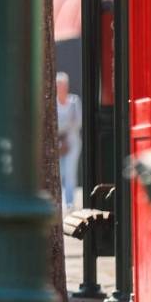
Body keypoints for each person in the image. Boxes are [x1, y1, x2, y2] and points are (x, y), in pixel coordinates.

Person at [57, 72, 83, 211]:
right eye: (59, 85)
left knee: (70, 172)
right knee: (59, 172)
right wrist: (66, 126)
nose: (61, 88)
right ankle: (60, 202)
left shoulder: (74, 101)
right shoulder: (53, 102)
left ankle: (69, 202)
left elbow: (78, 122)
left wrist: (64, 127)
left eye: (63, 85)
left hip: (72, 142)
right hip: (58, 144)